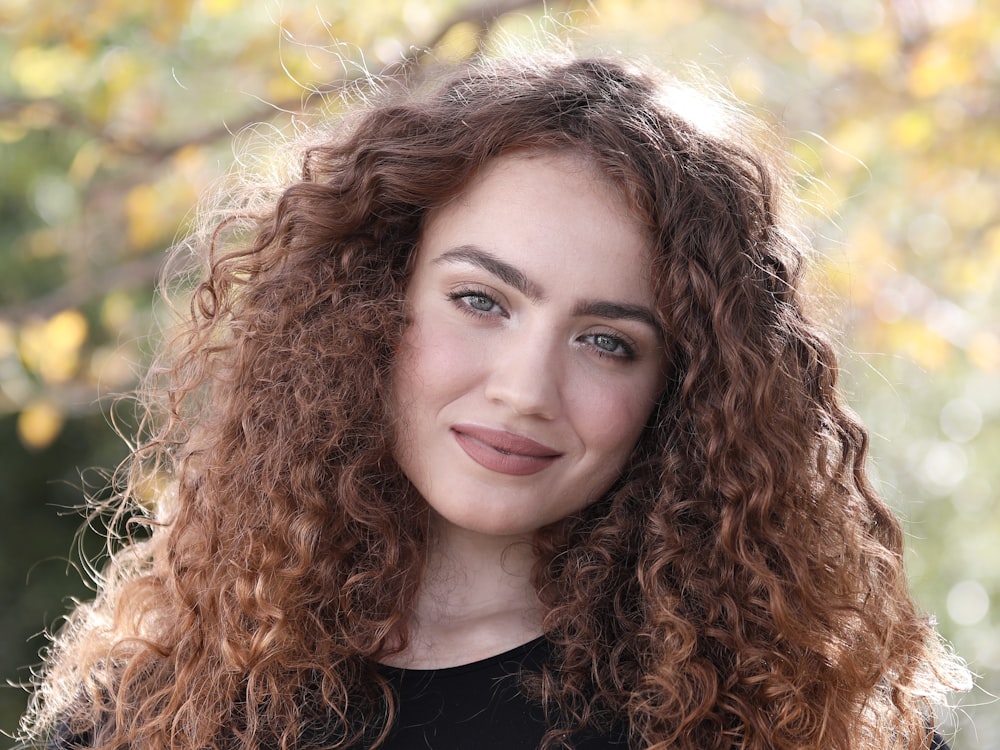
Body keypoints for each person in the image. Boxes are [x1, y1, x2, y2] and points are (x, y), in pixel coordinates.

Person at [19, 51, 968, 750]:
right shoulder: (152, 719)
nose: (523, 389)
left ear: (680, 393)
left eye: (608, 341)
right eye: (482, 301)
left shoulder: (789, 724)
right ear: (372, 303)